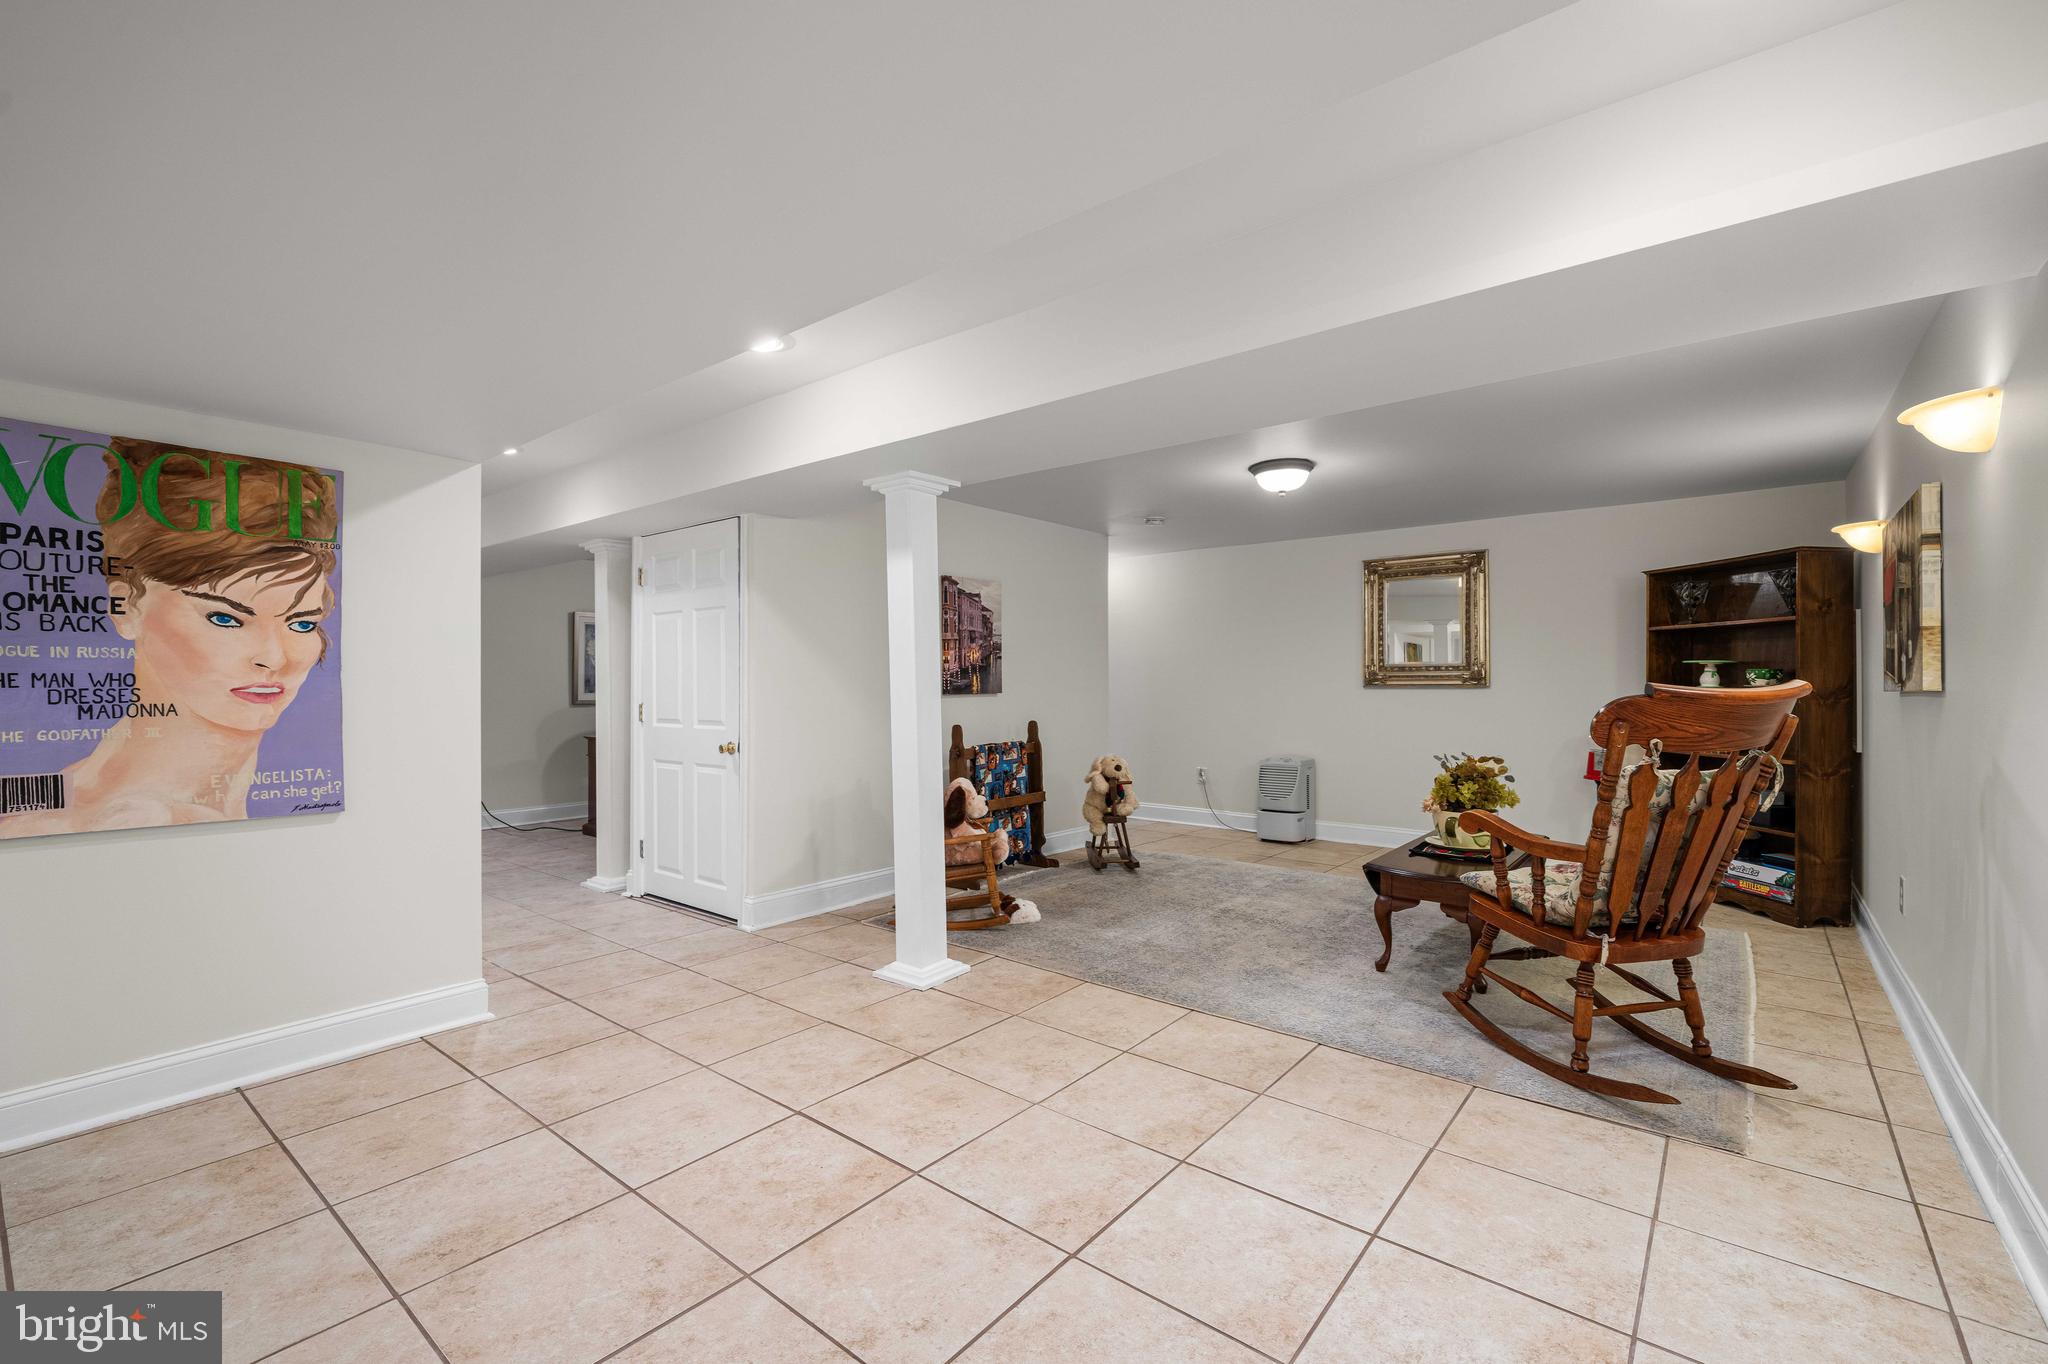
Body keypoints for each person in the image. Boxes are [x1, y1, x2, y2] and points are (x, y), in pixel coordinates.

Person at [0, 440, 339, 837]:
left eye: (301, 624)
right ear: (126, 608)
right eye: (225, 618)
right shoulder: (70, 822)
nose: (272, 658)